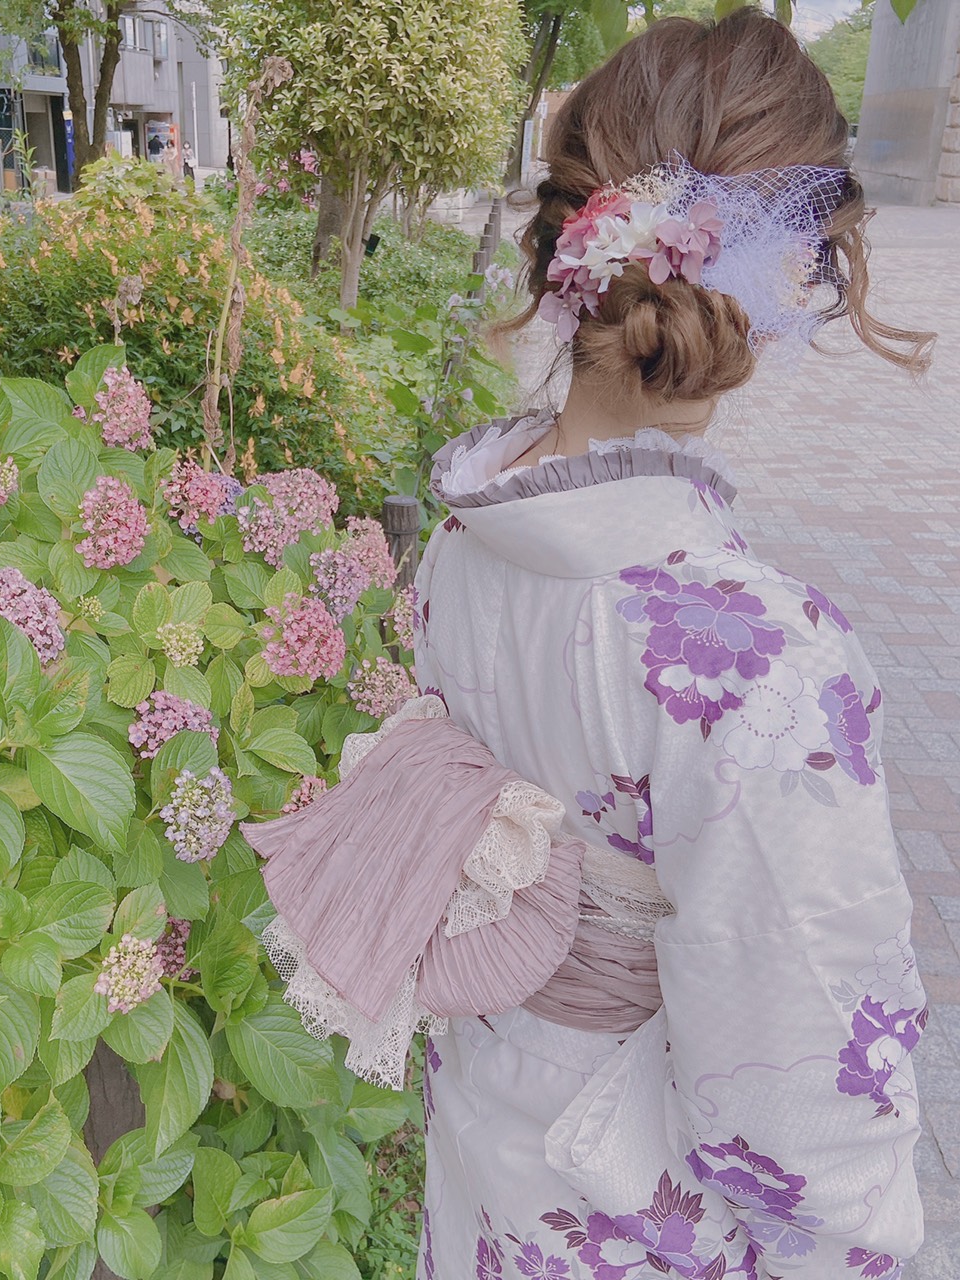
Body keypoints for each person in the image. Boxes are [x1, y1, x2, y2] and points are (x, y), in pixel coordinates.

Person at [243, 11, 934, 1279]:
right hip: (641, 1203)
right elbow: (801, 1065)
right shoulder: (757, 662)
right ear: (783, 270)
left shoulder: (465, 540)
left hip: (494, 1139)